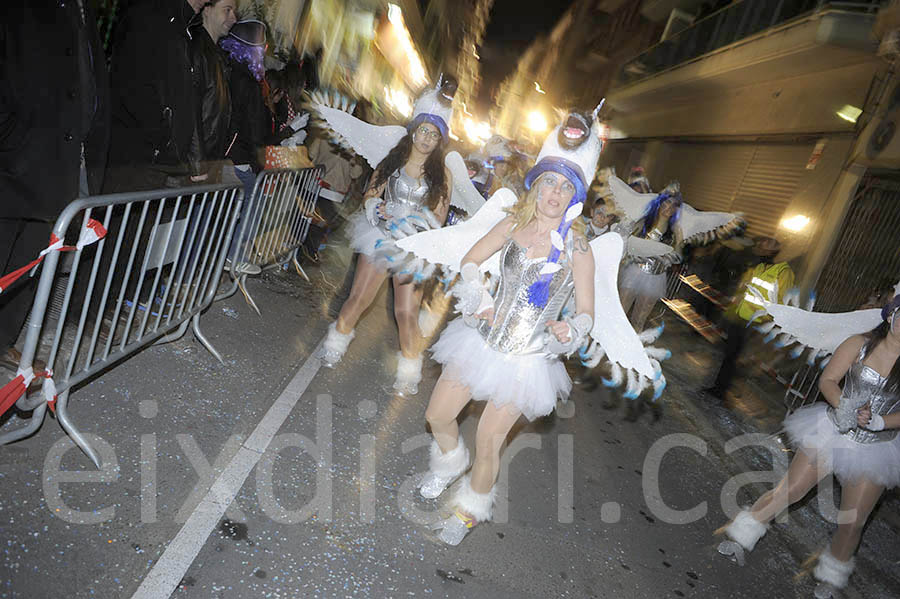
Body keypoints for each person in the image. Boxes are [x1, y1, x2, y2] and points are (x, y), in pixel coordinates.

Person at [418, 109, 602, 545]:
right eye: (549, 182)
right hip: (480, 342)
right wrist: (480, 297)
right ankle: (448, 463)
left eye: (564, 186)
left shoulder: (579, 248)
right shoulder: (514, 222)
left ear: (574, 195)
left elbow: (588, 314)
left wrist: (571, 330)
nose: (554, 193)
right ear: (536, 184)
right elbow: (469, 262)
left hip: (527, 359)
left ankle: (468, 511)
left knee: (488, 440)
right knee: (436, 416)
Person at [717, 294, 900, 599]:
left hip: (876, 447)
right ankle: (740, 536)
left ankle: (831, 576)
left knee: (853, 522)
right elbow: (828, 380)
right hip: (832, 429)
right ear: (891, 316)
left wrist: (882, 422)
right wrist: (848, 408)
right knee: (790, 490)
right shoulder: (859, 343)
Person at [316, 81, 456, 396]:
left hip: (413, 245)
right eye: (423, 131)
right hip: (379, 236)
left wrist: (415, 227)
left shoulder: (443, 173)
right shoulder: (391, 159)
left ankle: (409, 370)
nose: (426, 139)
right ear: (413, 130)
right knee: (359, 298)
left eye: (434, 135)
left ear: (439, 140)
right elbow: (370, 193)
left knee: (405, 313)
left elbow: (440, 216)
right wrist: (377, 212)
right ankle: (335, 344)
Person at [1, 0, 110, 372]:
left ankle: (2, 340)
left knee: (30, 261)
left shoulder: (83, 8)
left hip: (54, 160)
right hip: (17, 156)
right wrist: (10, 137)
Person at [105, 0, 205, 192]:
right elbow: (132, 86)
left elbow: (186, 102)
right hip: (136, 161)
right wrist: (164, 142)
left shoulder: (187, 30)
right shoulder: (150, 17)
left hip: (159, 166)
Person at [704, 236, 794, 400]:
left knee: (736, 357)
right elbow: (743, 291)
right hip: (740, 317)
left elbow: (781, 301)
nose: (762, 249)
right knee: (730, 355)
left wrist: (768, 321)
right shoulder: (759, 267)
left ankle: (723, 389)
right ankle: (721, 387)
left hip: (758, 322)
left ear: (778, 250)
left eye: (767, 246)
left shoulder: (784, 273)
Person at [618, 182, 682, 331]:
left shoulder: (675, 231)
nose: (669, 208)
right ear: (660, 203)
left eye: (674, 205)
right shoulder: (644, 222)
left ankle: (630, 349)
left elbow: (678, 257)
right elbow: (631, 245)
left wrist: (677, 244)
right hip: (634, 271)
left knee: (639, 320)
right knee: (620, 311)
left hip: (656, 276)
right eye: (667, 202)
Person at [190, 0, 238, 182]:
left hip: (207, 164)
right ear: (207, 9)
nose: (233, 17)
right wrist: (198, 163)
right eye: (227, 10)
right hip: (193, 169)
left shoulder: (217, 56)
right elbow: (190, 108)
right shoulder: (196, 48)